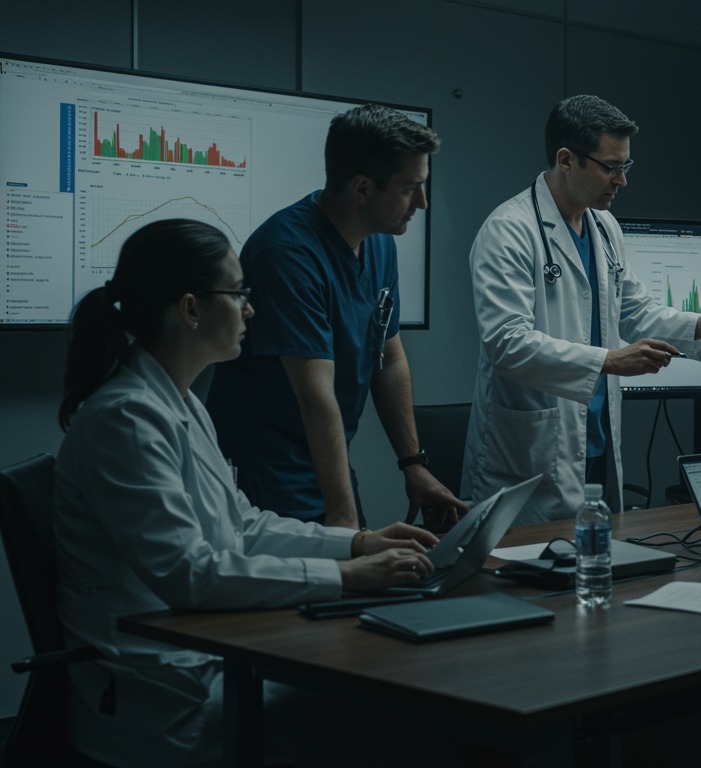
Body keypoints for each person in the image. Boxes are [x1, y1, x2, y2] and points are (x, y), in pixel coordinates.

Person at [53, 219, 439, 766]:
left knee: (381, 685)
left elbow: (246, 526)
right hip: (160, 698)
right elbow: (190, 573)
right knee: (388, 702)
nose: (250, 311)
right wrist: (344, 577)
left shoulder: (177, 402)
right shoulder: (127, 418)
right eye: (238, 294)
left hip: (204, 660)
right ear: (190, 309)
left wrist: (356, 545)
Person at [465, 94, 701, 522]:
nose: (622, 181)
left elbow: (632, 309)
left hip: (592, 442)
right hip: (531, 456)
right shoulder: (508, 231)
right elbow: (506, 344)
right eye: (611, 167)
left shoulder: (604, 225)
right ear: (566, 159)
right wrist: (610, 360)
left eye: (625, 167)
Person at [206, 104, 466, 529]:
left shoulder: (380, 243)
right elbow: (315, 395)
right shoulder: (288, 254)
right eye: (410, 188)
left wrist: (413, 464)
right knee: (314, 585)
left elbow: (390, 357)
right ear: (362, 188)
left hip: (327, 460)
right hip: (268, 469)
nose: (422, 202)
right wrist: (346, 526)